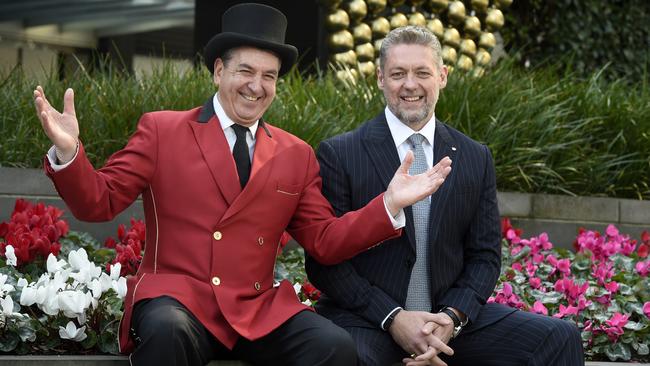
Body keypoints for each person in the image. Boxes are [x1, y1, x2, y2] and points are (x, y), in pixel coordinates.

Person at [32, 4, 452, 366]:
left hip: (254, 309)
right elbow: (99, 203)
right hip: (178, 302)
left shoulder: (295, 153)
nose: (257, 86)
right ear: (219, 71)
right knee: (167, 331)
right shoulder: (162, 130)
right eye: (246, 71)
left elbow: (324, 240)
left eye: (269, 76)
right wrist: (71, 154)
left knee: (333, 347)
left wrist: (388, 204)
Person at [306, 25, 584, 366]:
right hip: (367, 319)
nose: (410, 84)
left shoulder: (474, 156)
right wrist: (393, 317)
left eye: (422, 72)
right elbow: (324, 264)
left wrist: (452, 317)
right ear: (380, 78)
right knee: (352, 358)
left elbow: (484, 257)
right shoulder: (340, 153)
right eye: (398, 74)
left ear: (443, 76)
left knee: (559, 338)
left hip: (448, 324)